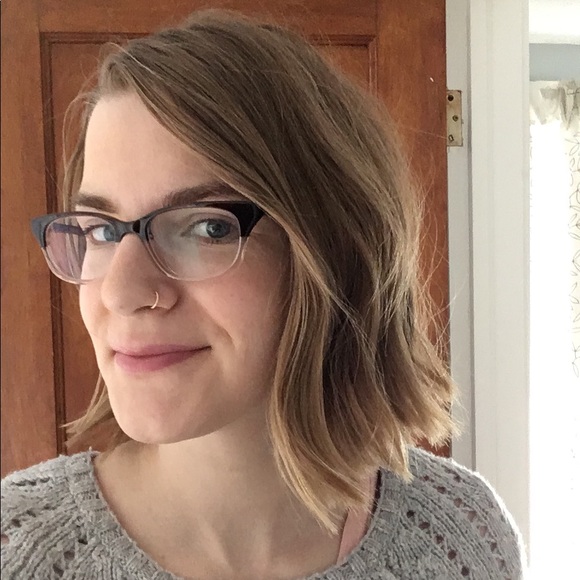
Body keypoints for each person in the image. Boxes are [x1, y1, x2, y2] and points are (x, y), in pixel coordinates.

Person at [1, 9, 525, 580]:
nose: (121, 293)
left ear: (330, 248)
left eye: (207, 227)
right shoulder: (18, 551)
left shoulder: (463, 536)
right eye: (102, 232)